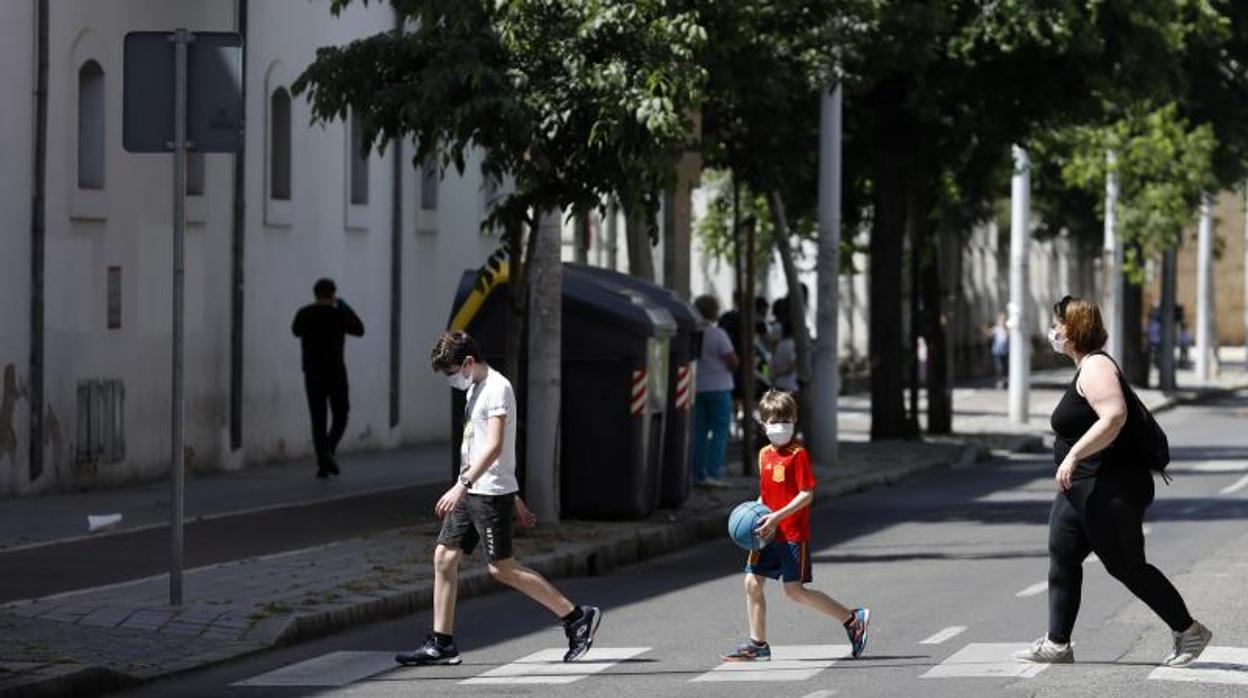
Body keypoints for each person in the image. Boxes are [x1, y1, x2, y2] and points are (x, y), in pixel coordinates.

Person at [1013, 295, 1211, 667]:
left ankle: (1189, 631)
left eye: (1057, 326)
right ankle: (1058, 643)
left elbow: (1114, 416)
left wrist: (1072, 455)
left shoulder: (1096, 367)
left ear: (1073, 330)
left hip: (1110, 488)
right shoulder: (1084, 366)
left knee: (1126, 566)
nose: (1053, 333)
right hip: (1082, 491)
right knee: (1063, 553)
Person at [396, 331, 601, 666]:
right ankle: (441, 643)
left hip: (487, 493)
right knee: (444, 558)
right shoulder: (475, 387)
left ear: (468, 362)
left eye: (450, 372)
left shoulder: (497, 388)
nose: (451, 379)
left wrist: (465, 486)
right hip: (476, 487)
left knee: (501, 568)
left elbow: (495, 446)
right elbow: (482, 447)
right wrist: (513, 495)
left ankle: (576, 616)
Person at [722, 389, 870, 662]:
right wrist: (756, 516)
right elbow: (765, 495)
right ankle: (758, 644)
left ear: (795, 421)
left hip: (791, 534)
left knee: (794, 591)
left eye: (786, 420)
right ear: (763, 424)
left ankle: (852, 619)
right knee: (752, 582)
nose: (781, 427)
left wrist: (777, 517)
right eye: (774, 421)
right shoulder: (764, 454)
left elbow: (806, 494)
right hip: (767, 533)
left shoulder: (797, 454)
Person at [291, 278, 364, 478]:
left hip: (312, 373)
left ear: (315, 293)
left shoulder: (305, 314)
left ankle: (323, 462)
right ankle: (328, 450)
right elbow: (359, 329)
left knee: (318, 418)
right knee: (341, 413)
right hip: (335, 372)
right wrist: (344, 306)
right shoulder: (338, 314)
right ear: (333, 294)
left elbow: (295, 330)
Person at [693, 295, 739, 488]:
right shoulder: (718, 334)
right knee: (720, 432)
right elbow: (732, 361)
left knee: (699, 432)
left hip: (697, 388)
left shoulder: (693, 334)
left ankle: (696, 473)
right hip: (719, 387)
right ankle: (713, 472)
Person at [987, 313, 1009, 389]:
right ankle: (999, 381)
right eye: (1001, 320)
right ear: (998, 321)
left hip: (1005, 352)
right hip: (997, 352)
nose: (1002, 321)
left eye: (1004, 319)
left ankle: (1005, 381)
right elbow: (989, 333)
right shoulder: (996, 329)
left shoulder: (1007, 329)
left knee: (1005, 367)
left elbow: (1009, 338)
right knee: (999, 367)